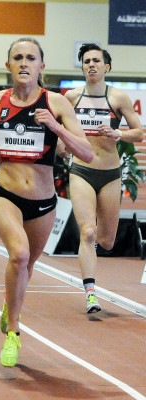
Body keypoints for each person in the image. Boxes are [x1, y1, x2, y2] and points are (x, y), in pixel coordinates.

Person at [0, 38, 93, 367]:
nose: (24, 62)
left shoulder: (57, 103)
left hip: (43, 203)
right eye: (18, 57)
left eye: (31, 57)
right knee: (19, 254)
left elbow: (86, 152)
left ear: (42, 66)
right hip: (4, 196)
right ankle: (13, 332)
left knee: (25, 268)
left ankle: (8, 305)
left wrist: (55, 126)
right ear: (8, 66)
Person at [62, 43, 143, 313]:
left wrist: (117, 134)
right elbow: (59, 130)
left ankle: (92, 249)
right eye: (86, 61)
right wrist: (64, 148)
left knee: (106, 240)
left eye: (96, 61)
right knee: (87, 232)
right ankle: (90, 293)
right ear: (82, 67)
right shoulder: (71, 97)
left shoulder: (118, 98)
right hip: (81, 171)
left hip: (110, 174)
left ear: (106, 66)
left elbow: (139, 132)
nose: (91, 65)